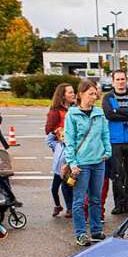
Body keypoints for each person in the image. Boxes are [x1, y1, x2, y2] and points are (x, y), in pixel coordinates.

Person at [64, 78, 112, 247]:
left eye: (96, 93)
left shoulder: (99, 113)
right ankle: (81, 233)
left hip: (99, 161)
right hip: (81, 163)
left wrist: (107, 151)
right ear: (81, 94)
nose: (94, 96)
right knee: (79, 200)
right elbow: (69, 140)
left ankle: (96, 229)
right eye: (91, 93)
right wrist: (72, 162)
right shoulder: (72, 115)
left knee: (96, 198)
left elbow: (105, 134)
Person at [102, 69, 128, 215]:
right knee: (117, 173)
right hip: (115, 140)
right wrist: (126, 114)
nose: (120, 82)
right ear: (113, 81)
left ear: (126, 80)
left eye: (122, 79)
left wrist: (118, 111)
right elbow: (109, 114)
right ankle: (119, 203)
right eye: (117, 79)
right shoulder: (107, 98)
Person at [45, 82, 76, 217]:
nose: (73, 94)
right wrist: (57, 133)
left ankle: (70, 208)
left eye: (73, 91)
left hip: (72, 150)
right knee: (57, 185)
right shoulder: (56, 111)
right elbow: (48, 130)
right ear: (62, 95)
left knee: (68, 182)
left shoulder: (74, 109)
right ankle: (59, 205)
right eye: (70, 92)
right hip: (61, 150)